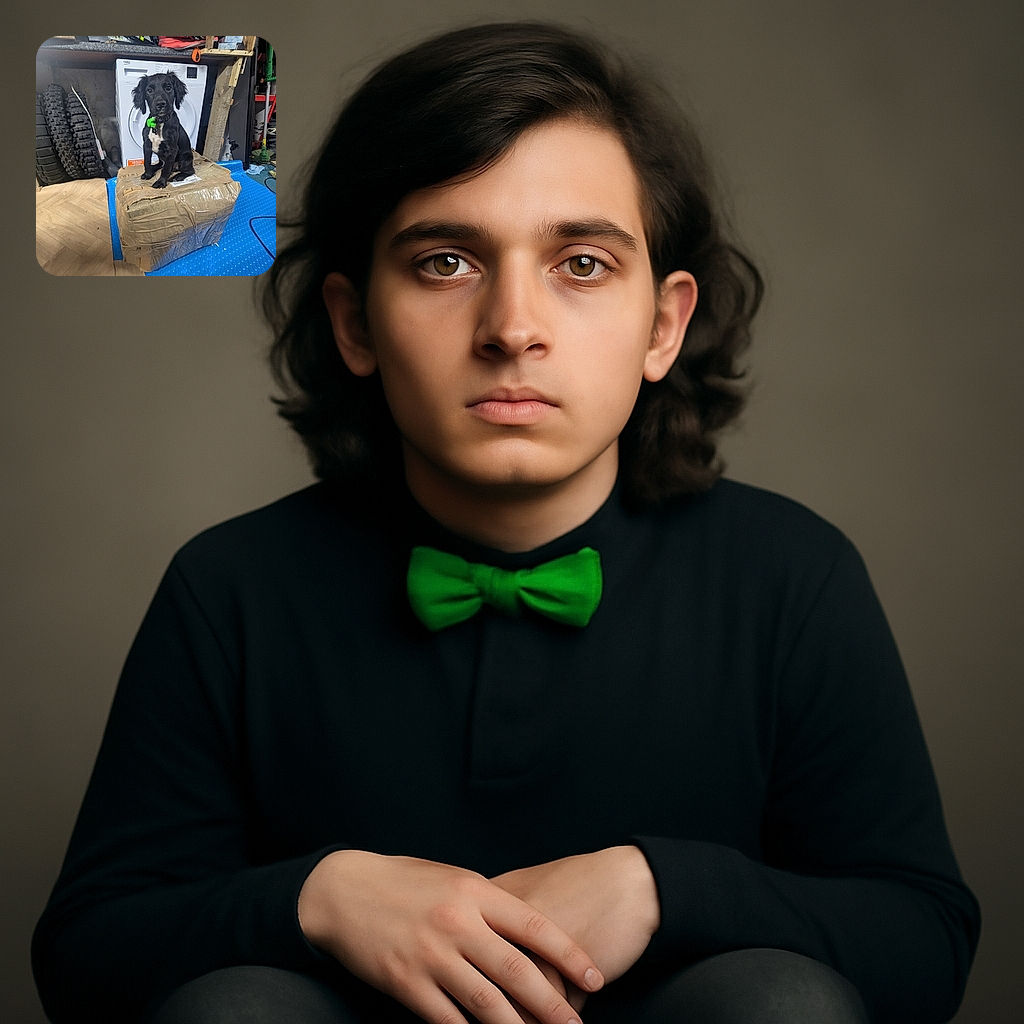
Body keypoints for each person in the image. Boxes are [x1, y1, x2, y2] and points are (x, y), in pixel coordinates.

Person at [33, 21, 979, 1024]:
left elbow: (922, 939)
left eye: (580, 263)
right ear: (354, 323)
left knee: (780, 1000)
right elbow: (89, 952)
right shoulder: (229, 589)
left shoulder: (794, 576)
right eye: (445, 261)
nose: (513, 327)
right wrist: (315, 895)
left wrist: (663, 887)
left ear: (663, 324)